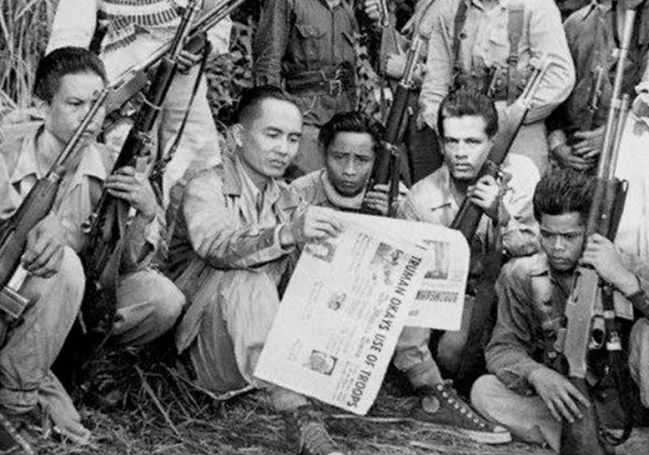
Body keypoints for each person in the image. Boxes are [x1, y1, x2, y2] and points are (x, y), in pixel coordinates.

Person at [0, 47, 185, 452]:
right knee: (63, 264)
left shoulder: (107, 164)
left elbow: (131, 265)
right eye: (75, 104)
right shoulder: (6, 155)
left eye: (99, 104)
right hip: (11, 303)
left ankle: (67, 369)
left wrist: (145, 213)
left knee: (163, 298)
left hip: (73, 311)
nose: (90, 116)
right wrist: (39, 223)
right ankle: (17, 401)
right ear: (40, 106)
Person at [170, 86, 346, 455]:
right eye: (272, 135)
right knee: (246, 276)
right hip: (203, 341)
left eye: (294, 139)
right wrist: (286, 233)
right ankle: (296, 411)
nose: (284, 148)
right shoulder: (206, 186)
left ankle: (294, 392)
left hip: (261, 344)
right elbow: (218, 247)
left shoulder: (290, 198)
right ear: (237, 136)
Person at [392, 88, 539, 444]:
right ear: (440, 142)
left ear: (492, 141)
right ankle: (440, 387)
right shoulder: (421, 198)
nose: (460, 152)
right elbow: (410, 279)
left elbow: (539, 245)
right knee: (453, 350)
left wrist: (500, 216)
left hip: (507, 304)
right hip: (454, 305)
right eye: (452, 141)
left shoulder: (519, 178)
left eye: (472, 141)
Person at [470, 167, 649, 452]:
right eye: (548, 234)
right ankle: (590, 443)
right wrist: (536, 374)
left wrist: (628, 283)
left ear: (590, 232)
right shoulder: (521, 275)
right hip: (562, 405)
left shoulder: (627, 266)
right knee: (484, 391)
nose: (556, 247)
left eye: (569, 236)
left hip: (628, 404)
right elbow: (502, 348)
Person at [46, 0, 233, 205]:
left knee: (198, 172)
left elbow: (219, 22)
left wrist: (201, 48)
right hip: (126, 92)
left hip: (185, 87)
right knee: (129, 175)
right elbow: (69, 37)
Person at [417, 0, 575, 173]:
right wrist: (445, 127)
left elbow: (559, 77)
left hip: (519, 134)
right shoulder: (449, 9)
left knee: (519, 191)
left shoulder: (536, 6)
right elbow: (435, 84)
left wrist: (509, 116)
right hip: (464, 136)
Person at [253, 0, 359, 177]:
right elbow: (267, 65)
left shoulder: (345, 11)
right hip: (303, 120)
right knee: (303, 192)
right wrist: (274, 125)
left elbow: (350, 77)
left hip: (341, 125)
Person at [546, 0, 649, 171]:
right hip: (575, 162)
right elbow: (554, 97)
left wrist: (616, 133)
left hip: (632, 163)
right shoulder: (580, 23)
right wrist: (557, 146)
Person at [362, 0, 443, 183]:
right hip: (414, 114)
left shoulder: (460, 7)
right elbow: (414, 49)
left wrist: (408, 71)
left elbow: (459, 74)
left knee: (432, 185)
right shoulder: (426, 3)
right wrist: (382, 23)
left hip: (436, 118)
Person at [291, 110, 404, 214]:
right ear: (324, 153)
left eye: (362, 160)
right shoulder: (298, 194)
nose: (349, 171)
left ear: (377, 160)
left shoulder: (397, 197)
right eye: (339, 157)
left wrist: (393, 217)